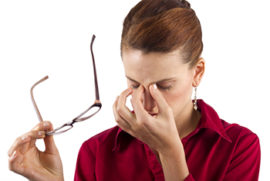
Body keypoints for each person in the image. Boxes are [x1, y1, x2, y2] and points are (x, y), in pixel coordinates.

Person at [8, 0, 261, 180]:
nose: (146, 102)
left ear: (197, 72)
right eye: (133, 84)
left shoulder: (239, 147)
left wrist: (170, 153)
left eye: (164, 86)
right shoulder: (96, 153)